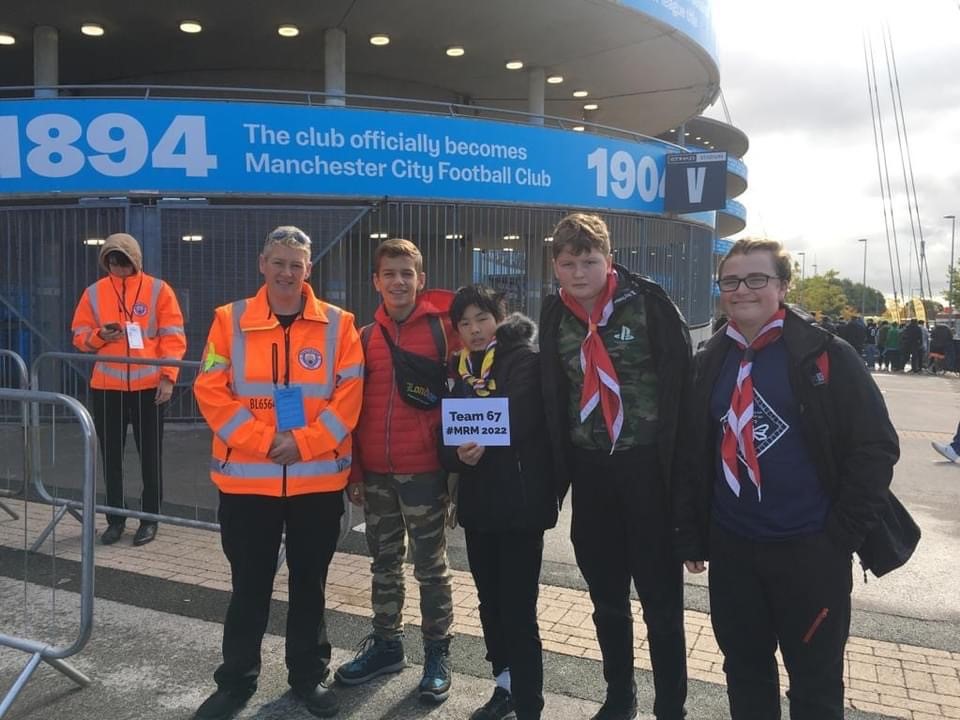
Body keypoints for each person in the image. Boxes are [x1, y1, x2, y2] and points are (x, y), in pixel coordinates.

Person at [675, 238, 900, 720]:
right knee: (745, 674)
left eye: (757, 279)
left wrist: (840, 537)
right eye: (731, 281)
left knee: (815, 687)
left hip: (809, 551)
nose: (742, 290)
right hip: (734, 551)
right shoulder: (712, 358)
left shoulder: (826, 356)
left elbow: (875, 447)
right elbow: (695, 454)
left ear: (782, 285)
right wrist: (693, 533)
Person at [192, 226, 363, 720]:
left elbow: (347, 398)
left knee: (310, 584)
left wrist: (303, 441)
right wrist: (266, 440)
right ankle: (237, 680)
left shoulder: (339, 324)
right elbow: (211, 389)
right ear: (262, 265)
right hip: (248, 482)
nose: (287, 272)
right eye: (279, 262)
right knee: (249, 585)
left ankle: (308, 677)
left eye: (297, 264)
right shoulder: (229, 320)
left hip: (315, 481)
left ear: (309, 270)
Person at [539, 213, 691, 720]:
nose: (579, 272)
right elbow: (550, 395)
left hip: (648, 469)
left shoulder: (647, 304)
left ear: (610, 260)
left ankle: (671, 705)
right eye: (568, 263)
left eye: (589, 261)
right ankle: (619, 696)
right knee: (607, 599)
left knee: (661, 603)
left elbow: (683, 389)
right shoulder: (554, 315)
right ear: (555, 267)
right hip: (591, 472)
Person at [336, 238, 459, 703]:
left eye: (407, 273)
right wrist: (355, 471)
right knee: (384, 564)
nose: (398, 281)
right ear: (376, 281)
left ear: (421, 280)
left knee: (431, 568)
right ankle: (387, 644)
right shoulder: (363, 337)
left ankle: (436, 653)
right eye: (389, 274)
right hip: (377, 474)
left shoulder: (444, 332)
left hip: (426, 473)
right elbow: (351, 406)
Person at [440, 285, 558, 720]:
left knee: (518, 610)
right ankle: (505, 686)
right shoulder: (456, 370)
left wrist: (483, 437)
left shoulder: (525, 360)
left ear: (499, 317)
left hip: (520, 506)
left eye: (481, 319)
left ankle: (530, 704)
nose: (473, 329)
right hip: (478, 506)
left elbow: (523, 417)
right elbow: (445, 437)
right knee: (489, 603)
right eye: (465, 323)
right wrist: (457, 453)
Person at [70, 232, 186, 547]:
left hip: (150, 387)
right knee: (112, 458)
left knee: (151, 456)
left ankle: (150, 520)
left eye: (123, 262)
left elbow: (173, 337)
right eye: (112, 261)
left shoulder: (159, 290)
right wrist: (99, 336)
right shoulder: (94, 293)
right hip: (107, 387)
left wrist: (167, 377)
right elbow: (79, 336)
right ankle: (115, 519)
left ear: (135, 260)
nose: (118, 268)